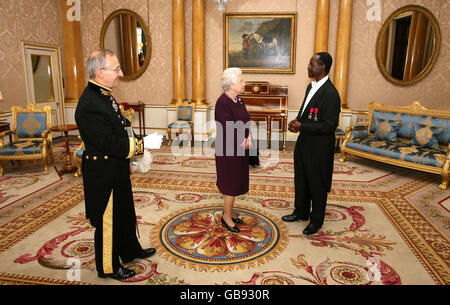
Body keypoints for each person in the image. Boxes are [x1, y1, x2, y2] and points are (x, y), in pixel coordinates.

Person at [75, 49, 157, 280]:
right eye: (117, 69)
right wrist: (142, 145)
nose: (120, 73)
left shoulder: (104, 95)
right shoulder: (90, 102)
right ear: (100, 72)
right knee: (108, 220)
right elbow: (109, 143)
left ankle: (130, 250)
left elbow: (120, 129)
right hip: (103, 172)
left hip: (116, 167)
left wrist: (138, 142)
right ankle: (109, 267)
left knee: (125, 212)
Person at [281, 52, 341, 235]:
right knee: (301, 178)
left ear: (322, 67)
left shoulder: (331, 94)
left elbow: (330, 126)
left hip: (320, 147)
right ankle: (301, 211)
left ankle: (316, 221)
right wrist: (297, 121)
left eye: (311, 64)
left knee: (317, 183)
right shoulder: (310, 87)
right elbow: (307, 112)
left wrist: (303, 126)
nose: (308, 67)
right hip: (304, 143)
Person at [215, 67, 252, 233]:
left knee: (236, 182)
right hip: (228, 151)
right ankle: (227, 218)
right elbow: (227, 129)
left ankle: (228, 213)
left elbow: (245, 121)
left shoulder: (239, 100)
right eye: (241, 81)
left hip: (240, 149)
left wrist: (248, 137)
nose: (244, 83)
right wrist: (241, 141)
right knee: (230, 185)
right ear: (231, 85)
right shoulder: (222, 103)